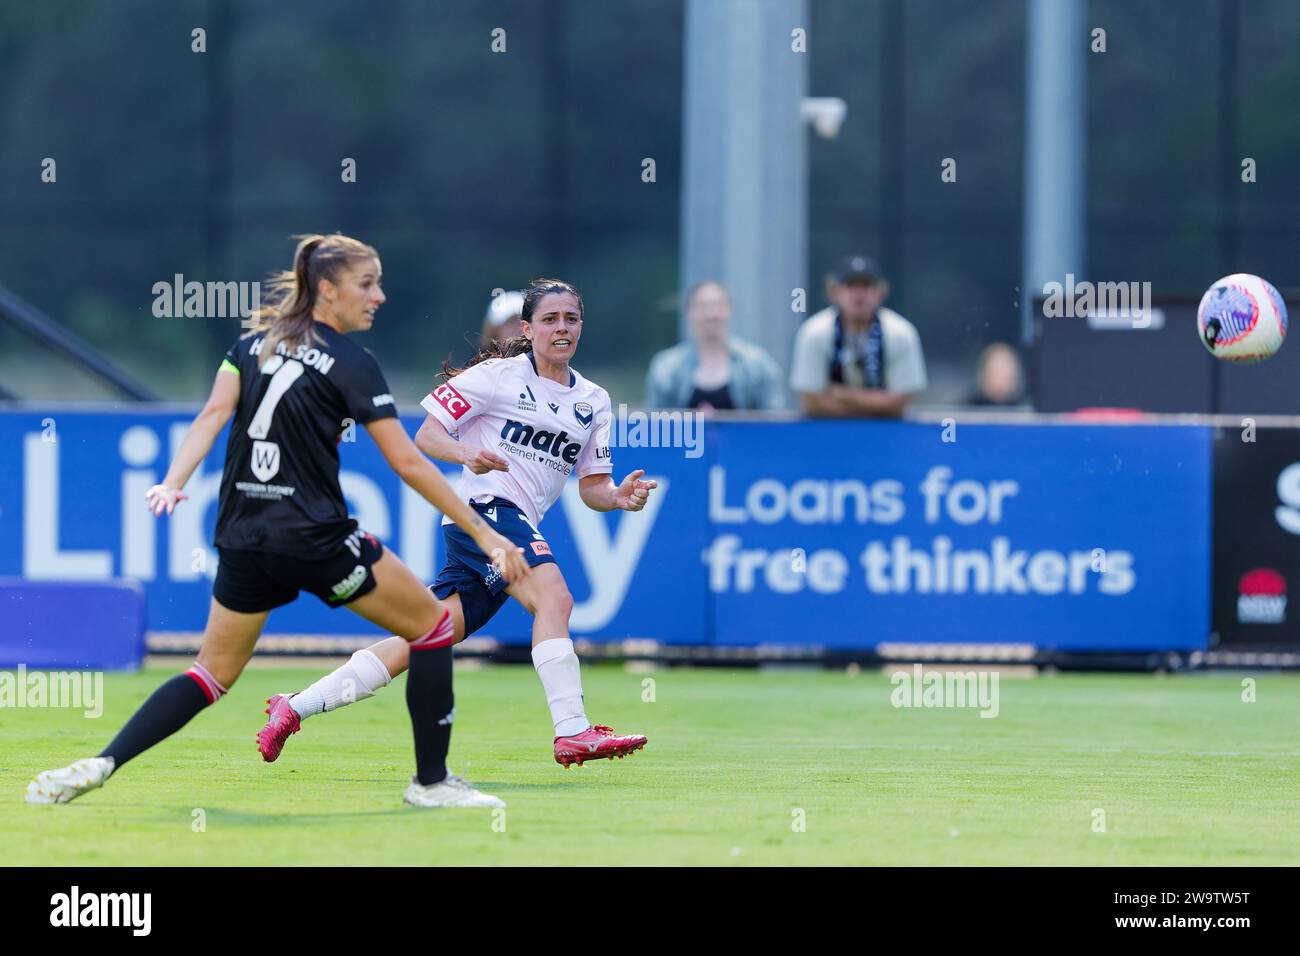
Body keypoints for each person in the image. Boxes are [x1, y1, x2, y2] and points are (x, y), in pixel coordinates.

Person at [24, 234, 529, 809]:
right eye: (367, 285)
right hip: (314, 536)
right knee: (435, 628)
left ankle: (102, 761)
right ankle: (431, 784)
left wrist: (172, 481)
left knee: (211, 674)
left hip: (242, 536)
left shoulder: (248, 346)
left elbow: (213, 415)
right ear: (327, 289)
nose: (380, 297)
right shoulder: (352, 362)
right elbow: (409, 460)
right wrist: (486, 534)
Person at [257, 278, 653, 769]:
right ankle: (572, 731)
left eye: (571, 319)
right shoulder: (497, 377)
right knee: (555, 598)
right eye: (550, 319)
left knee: (429, 634)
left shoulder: (593, 400)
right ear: (528, 329)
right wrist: (469, 453)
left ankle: (293, 707)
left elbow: (592, 486)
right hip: (483, 512)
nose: (562, 328)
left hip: (507, 520)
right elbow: (427, 434)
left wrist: (618, 497)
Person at [790, 255, 927, 418]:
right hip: (827, 433)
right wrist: (878, 403)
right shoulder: (814, 332)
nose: (859, 294)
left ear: (881, 292)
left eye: (867, 286)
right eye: (850, 286)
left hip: (887, 435)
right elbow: (811, 402)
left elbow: (900, 402)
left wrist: (844, 395)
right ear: (834, 291)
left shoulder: (901, 333)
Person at [645, 280, 784, 410]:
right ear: (688, 312)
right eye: (701, 306)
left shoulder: (758, 364)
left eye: (717, 305)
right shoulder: (666, 368)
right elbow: (656, 426)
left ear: (729, 309)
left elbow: (774, 423)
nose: (710, 314)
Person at [967, 342, 1024, 406]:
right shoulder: (966, 410)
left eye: (1006, 373)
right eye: (997, 371)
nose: (1002, 379)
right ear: (983, 374)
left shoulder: (1023, 411)